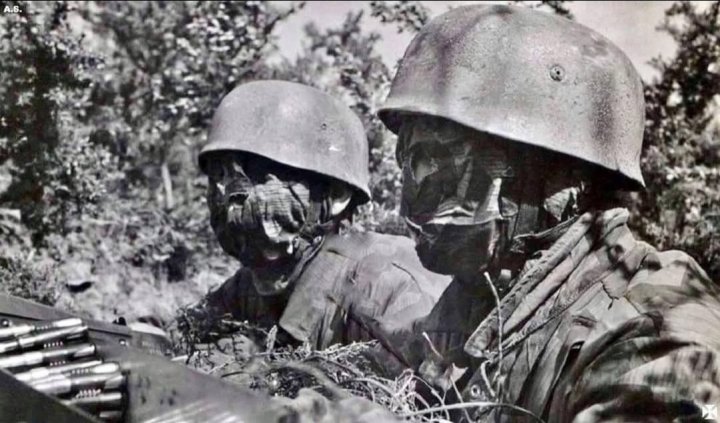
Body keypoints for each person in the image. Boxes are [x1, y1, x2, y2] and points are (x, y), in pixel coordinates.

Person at [375, 4, 720, 422]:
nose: (422, 186)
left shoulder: (657, 330)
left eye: (446, 158)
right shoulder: (479, 295)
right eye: (413, 160)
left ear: (564, 180)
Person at [194, 80, 450, 351]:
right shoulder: (246, 288)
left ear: (337, 195)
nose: (229, 193)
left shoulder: (389, 292)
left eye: (259, 174)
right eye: (220, 175)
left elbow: (434, 372)